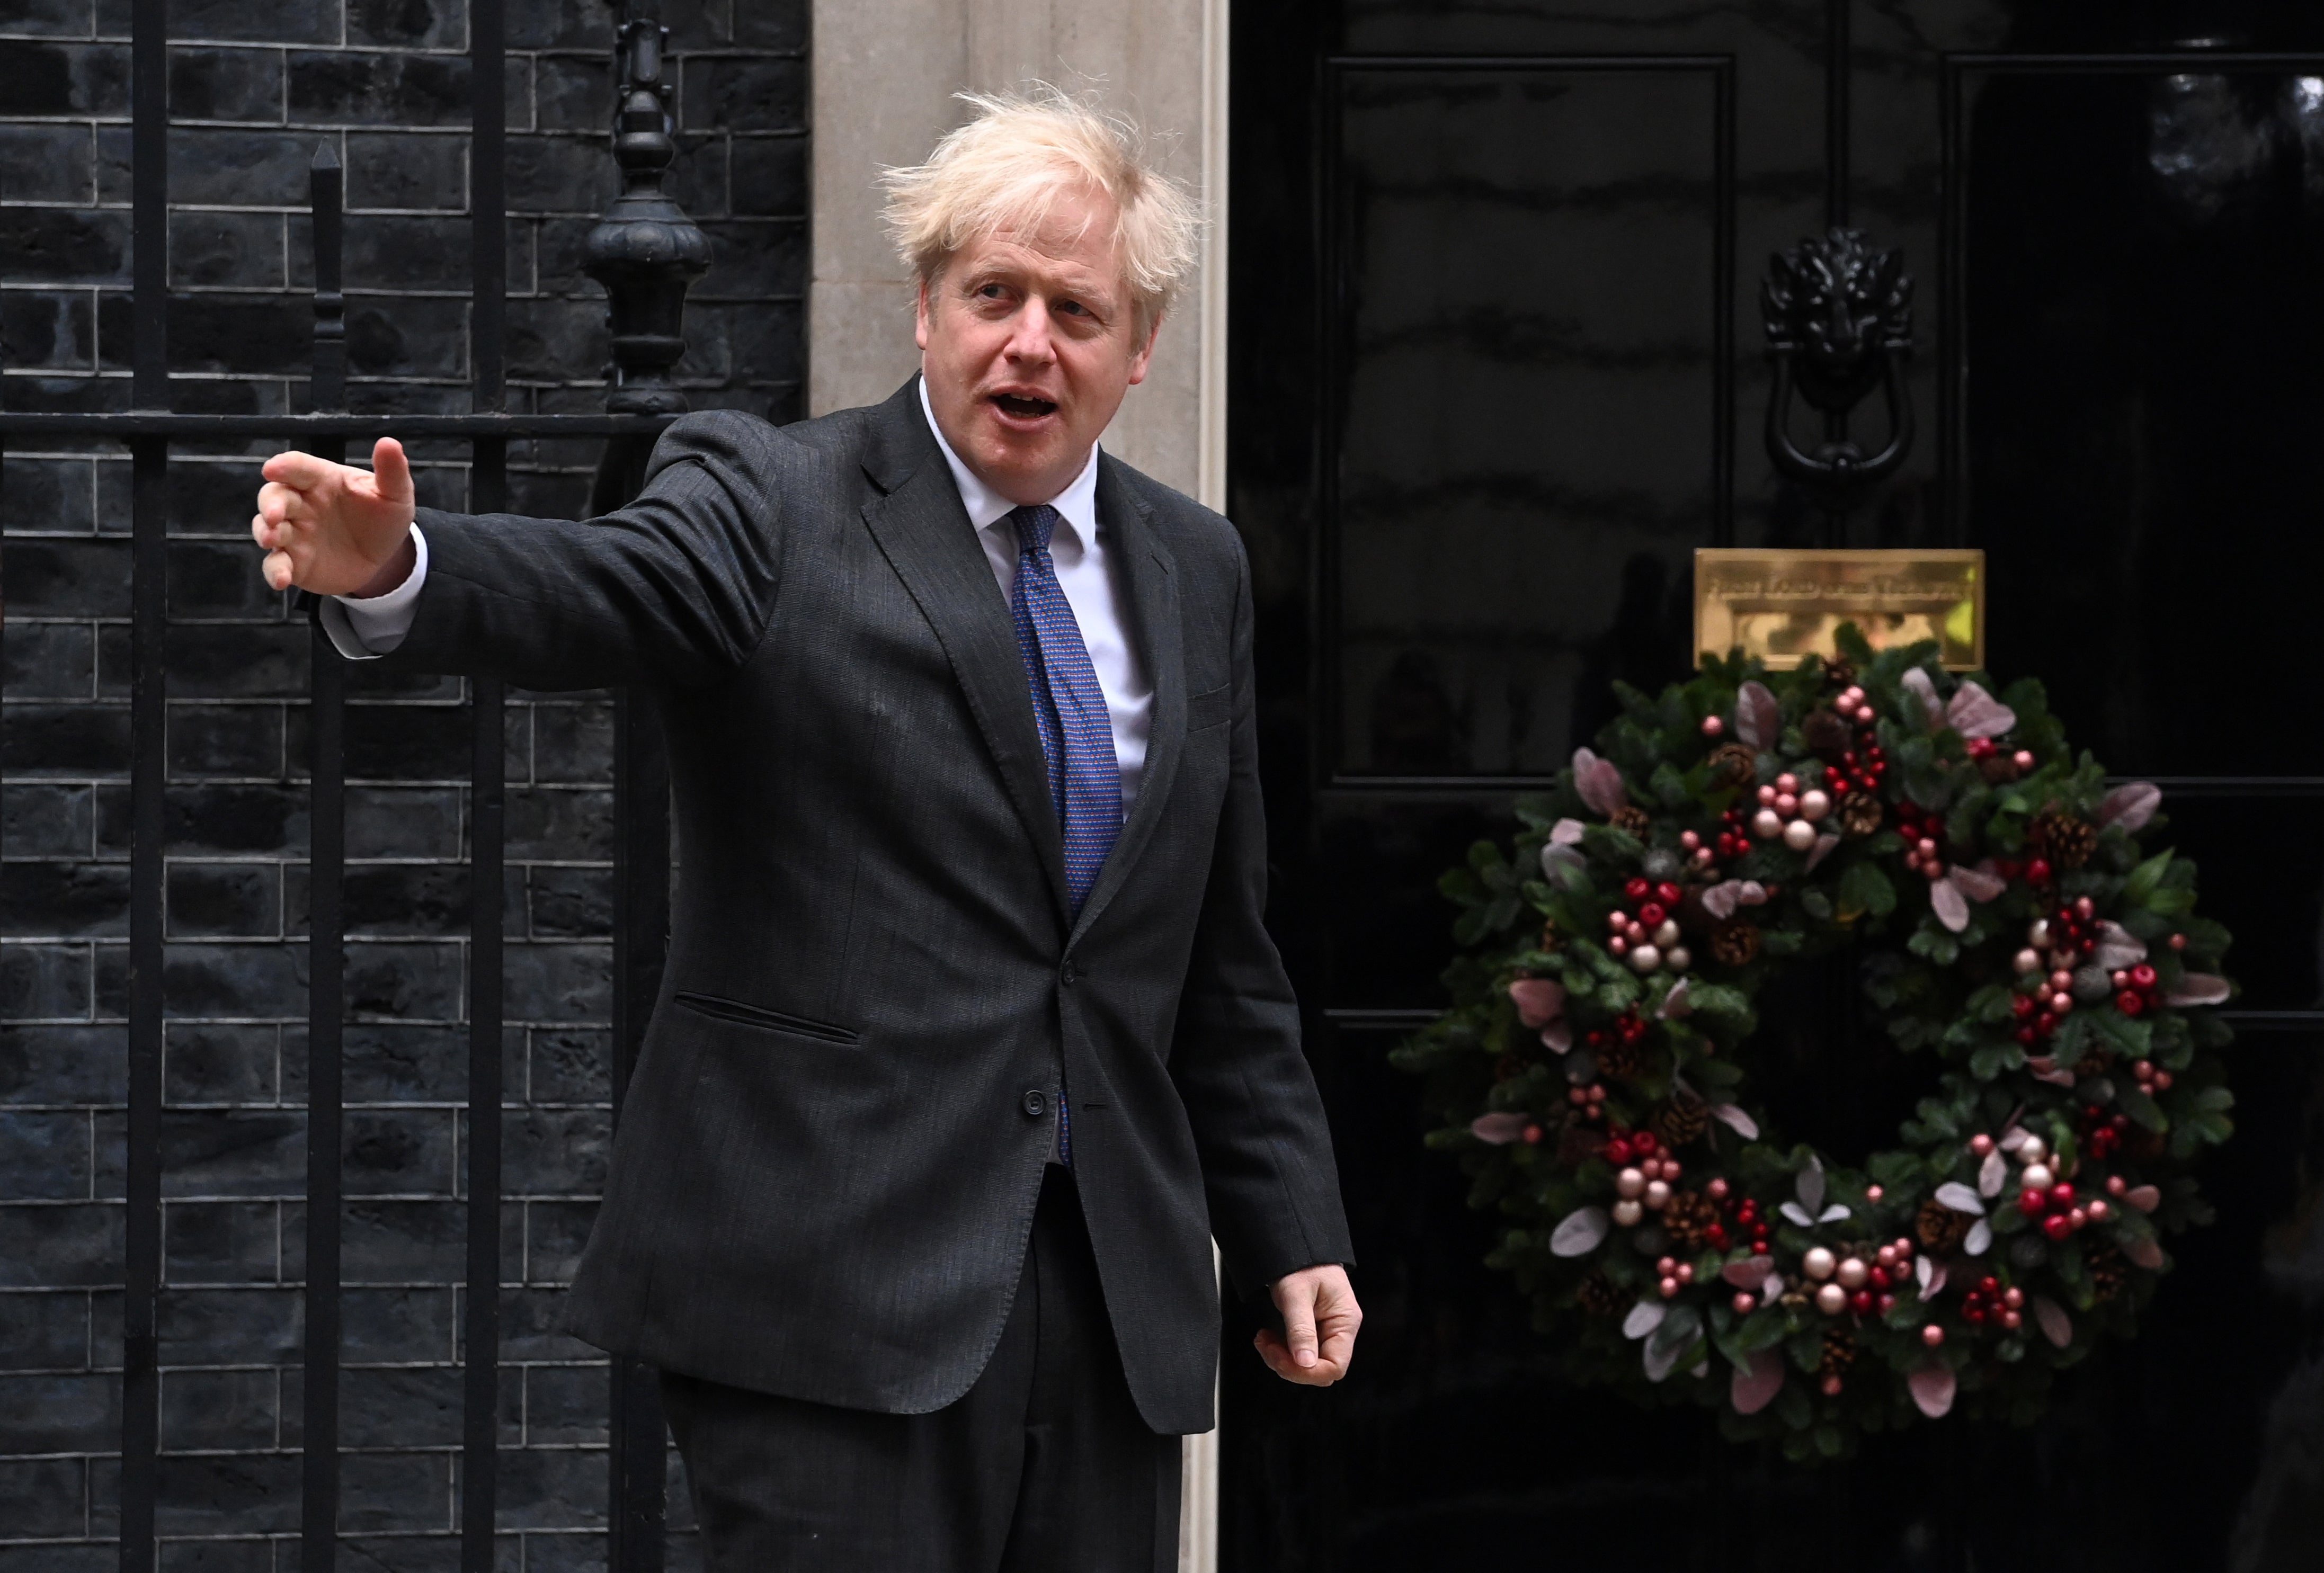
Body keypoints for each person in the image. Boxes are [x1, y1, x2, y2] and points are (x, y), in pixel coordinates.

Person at [249, 89, 1359, 1569]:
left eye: (1077, 309)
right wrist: (402, 567)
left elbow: (1216, 949)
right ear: (925, 310)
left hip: (1108, 1301)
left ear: (1139, 348)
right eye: (993, 294)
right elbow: (602, 587)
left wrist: (1287, 1219)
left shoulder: (1194, 564)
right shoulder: (768, 498)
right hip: (827, 1295)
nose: (1031, 339)